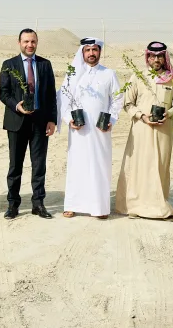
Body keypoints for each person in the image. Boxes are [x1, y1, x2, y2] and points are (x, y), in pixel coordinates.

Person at [59, 37, 123, 219]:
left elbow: (117, 99)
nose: (91, 53)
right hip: (78, 130)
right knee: (77, 165)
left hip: (101, 130)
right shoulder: (73, 74)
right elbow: (63, 99)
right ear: (82, 53)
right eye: (87, 50)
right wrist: (68, 119)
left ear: (100, 52)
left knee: (99, 166)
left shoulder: (109, 74)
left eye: (95, 50)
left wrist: (112, 120)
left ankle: (99, 208)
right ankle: (72, 205)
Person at [116, 41, 173, 220]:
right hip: (141, 129)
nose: (156, 59)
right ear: (148, 57)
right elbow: (127, 103)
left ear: (164, 58)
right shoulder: (138, 77)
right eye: (152, 56)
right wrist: (141, 116)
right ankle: (135, 206)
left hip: (163, 130)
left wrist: (169, 114)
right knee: (140, 165)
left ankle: (159, 204)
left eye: (159, 56)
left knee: (160, 165)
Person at [0, 28, 57, 220]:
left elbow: (51, 94)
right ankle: (13, 204)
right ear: (19, 43)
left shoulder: (45, 64)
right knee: (15, 166)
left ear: (37, 43)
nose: (29, 45)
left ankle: (38, 204)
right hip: (17, 122)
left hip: (40, 122)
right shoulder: (9, 65)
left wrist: (52, 119)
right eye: (26, 41)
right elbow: (3, 93)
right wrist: (17, 106)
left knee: (39, 165)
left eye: (33, 41)